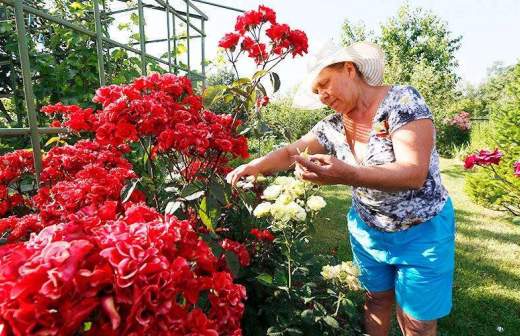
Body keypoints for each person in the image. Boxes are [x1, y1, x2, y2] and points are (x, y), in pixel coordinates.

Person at [225, 40, 455, 336]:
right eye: (316, 92)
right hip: (369, 230)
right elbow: (290, 152)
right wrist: (254, 166)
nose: (321, 95)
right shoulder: (332, 127)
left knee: (418, 323)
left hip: (422, 231)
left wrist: (348, 175)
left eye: (324, 84)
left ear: (349, 69)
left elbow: (413, 173)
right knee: (376, 300)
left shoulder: (402, 101)